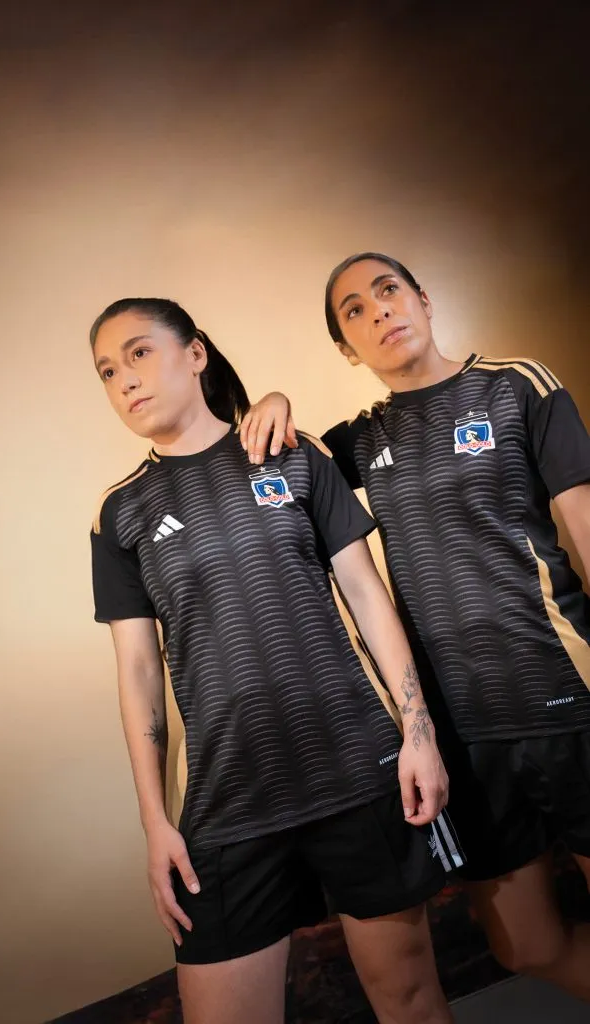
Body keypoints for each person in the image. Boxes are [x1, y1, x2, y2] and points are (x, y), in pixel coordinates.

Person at [88, 296, 456, 1024]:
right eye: (105, 371)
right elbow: (136, 676)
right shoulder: (119, 511)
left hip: (357, 770)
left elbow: (367, 598)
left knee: (410, 999)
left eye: (138, 353)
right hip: (227, 806)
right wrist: (156, 823)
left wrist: (418, 733)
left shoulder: (294, 452)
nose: (123, 380)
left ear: (194, 353)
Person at [241, 251, 590, 999]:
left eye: (388, 292)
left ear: (425, 300)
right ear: (345, 346)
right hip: (461, 734)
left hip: (566, 694)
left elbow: (584, 528)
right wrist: (270, 398)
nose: (379, 313)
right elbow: (271, 472)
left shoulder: (515, 386)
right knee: (525, 944)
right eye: (354, 311)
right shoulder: (358, 441)